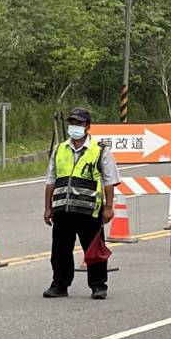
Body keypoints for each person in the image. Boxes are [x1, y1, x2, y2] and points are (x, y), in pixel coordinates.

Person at [43, 107, 120, 300]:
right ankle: (60, 285)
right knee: (60, 250)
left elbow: (109, 181)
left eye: (78, 123)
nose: (74, 127)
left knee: (94, 250)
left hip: (89, 210)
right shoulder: (60, 149)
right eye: (72, 123)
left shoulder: (100, 150)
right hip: (63, 209)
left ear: (87, 127)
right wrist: (47, 208)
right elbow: (50, 180)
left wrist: (109, 207)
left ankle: (98, 285)